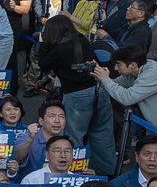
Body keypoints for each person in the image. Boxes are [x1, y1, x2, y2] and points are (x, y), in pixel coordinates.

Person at [36, 16, 114, 175]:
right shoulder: (82, 40)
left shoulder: (60, 49)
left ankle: (74, 175)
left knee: (74, 137)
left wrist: (43, 43)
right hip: (99, 89)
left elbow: (43, 63)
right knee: (103, 134)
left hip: (76, 95)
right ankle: (106, 173)